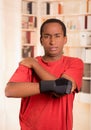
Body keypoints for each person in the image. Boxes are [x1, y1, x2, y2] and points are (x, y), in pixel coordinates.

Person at [5, 18, 84, 130]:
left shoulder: (74, 63)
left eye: (57, 36)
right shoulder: (29, 64)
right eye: (47, 36)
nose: (52, 41)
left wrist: (36, 66)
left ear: (65, 39)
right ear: (41, 40)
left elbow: (63, 88)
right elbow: (10, 90)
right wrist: (50, 86)